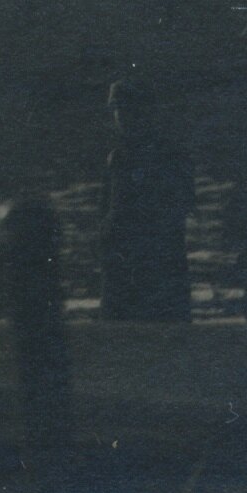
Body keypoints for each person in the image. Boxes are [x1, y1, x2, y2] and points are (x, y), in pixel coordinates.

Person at [100, 78, 195, 321]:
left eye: (128, 110)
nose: (121, 117)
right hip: (125, 263)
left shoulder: (171, 156)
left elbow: (180, 208)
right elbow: (110, 212)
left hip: (158, 263)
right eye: (118, 110)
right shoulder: (117, 158)